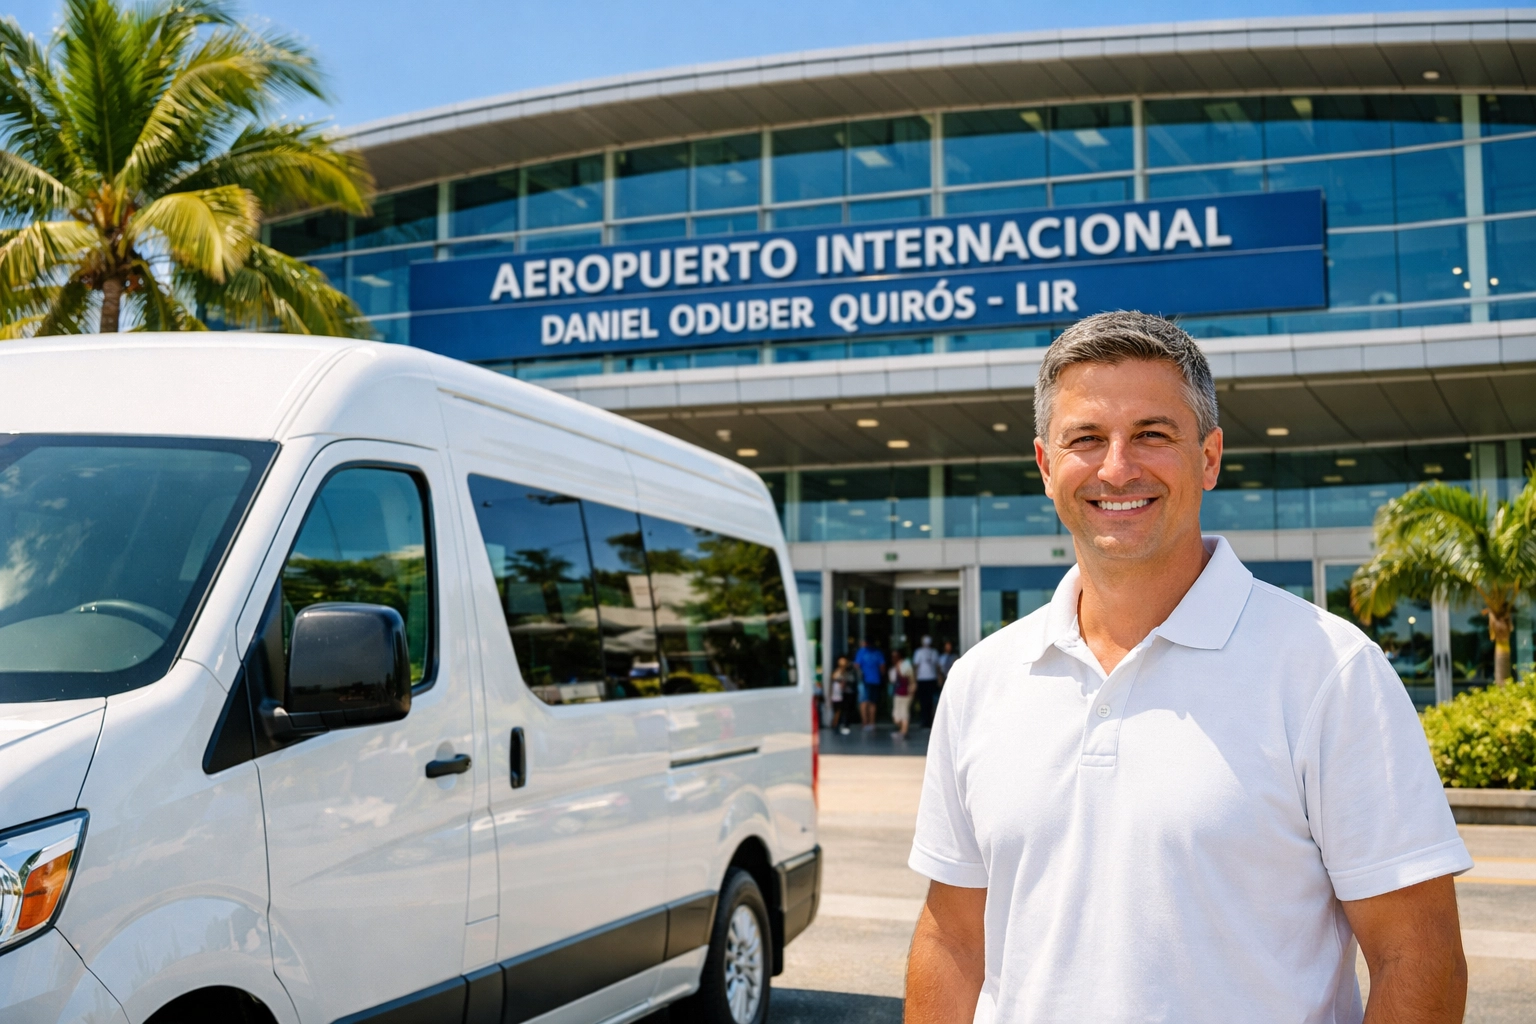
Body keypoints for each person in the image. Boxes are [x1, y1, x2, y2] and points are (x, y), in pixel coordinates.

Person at [905, 312, 1470, 1024]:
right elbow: (953, 940)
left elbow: (1418, 956)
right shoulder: (982, 679)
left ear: (1209, 457)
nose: (1117, 468)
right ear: (1047, 466)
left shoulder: (1330, 671)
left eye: (1152, 434)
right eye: (1086, 438)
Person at [853, 638, 885, 730]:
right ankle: (872, 723)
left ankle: (865, 722)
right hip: (875, 680)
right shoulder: (878, 653)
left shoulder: (861, 652)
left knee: (863, 702)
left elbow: (856, 665)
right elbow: (882, 667)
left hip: (864, 680)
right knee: (873, 702)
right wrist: (882, 677)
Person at [911, 634, 942, 729]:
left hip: (923, 679)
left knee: (924, 701)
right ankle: (928, 721)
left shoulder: (919, 652)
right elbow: (937, 667)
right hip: (929, 679)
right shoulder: (933, 652)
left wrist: (914, 680)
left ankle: (925, 720)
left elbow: (916, 667)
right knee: (929, 701)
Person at [889, 649, 915, 739]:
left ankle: (904, 732)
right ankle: (902, 731)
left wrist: (912, 689)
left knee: (904, 713)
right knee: (896, 716)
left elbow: (910, 678)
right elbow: (892, 680)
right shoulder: (894, 667)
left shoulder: (906, 665)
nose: (893, 658)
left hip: (906, 693)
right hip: (898, 692)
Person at [829, 656, 851, 734]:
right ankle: (835, 724)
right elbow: (834, 678)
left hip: (842, 693)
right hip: (837, 693)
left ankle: (837, 724)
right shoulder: (838, 672)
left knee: (840, 710)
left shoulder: (845, 672)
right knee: (837, 710)